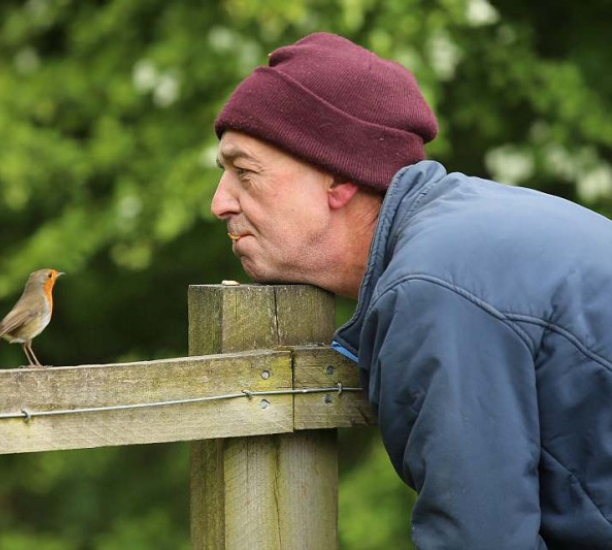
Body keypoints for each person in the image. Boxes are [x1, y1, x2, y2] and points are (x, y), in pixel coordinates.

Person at [211, 32, 612, 550]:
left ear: (338, 178)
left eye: (245, 173)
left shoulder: (434, 287)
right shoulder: (461, 238)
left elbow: (478, 538)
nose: (220, 203)